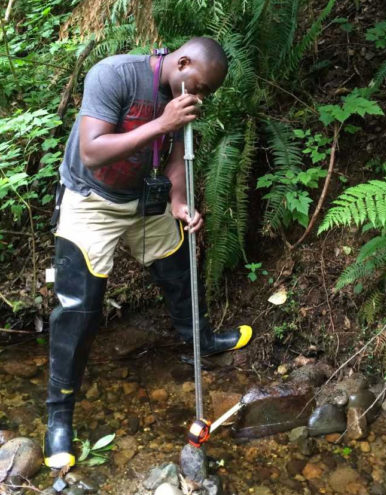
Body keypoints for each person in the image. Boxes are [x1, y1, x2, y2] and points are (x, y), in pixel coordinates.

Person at [44, 37, 253, 469]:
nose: (198, 97)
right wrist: (161, 123)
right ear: (180, 61)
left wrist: (178, 200)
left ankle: (201, 342)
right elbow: (92, 150)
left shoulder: (182, 98)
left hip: (143, 199)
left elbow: (175, 153)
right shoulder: (114, 75)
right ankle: (59, 416)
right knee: (79, 306)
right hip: (91, 198)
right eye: (197, 86)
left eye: (206, 93)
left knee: (179, 269)